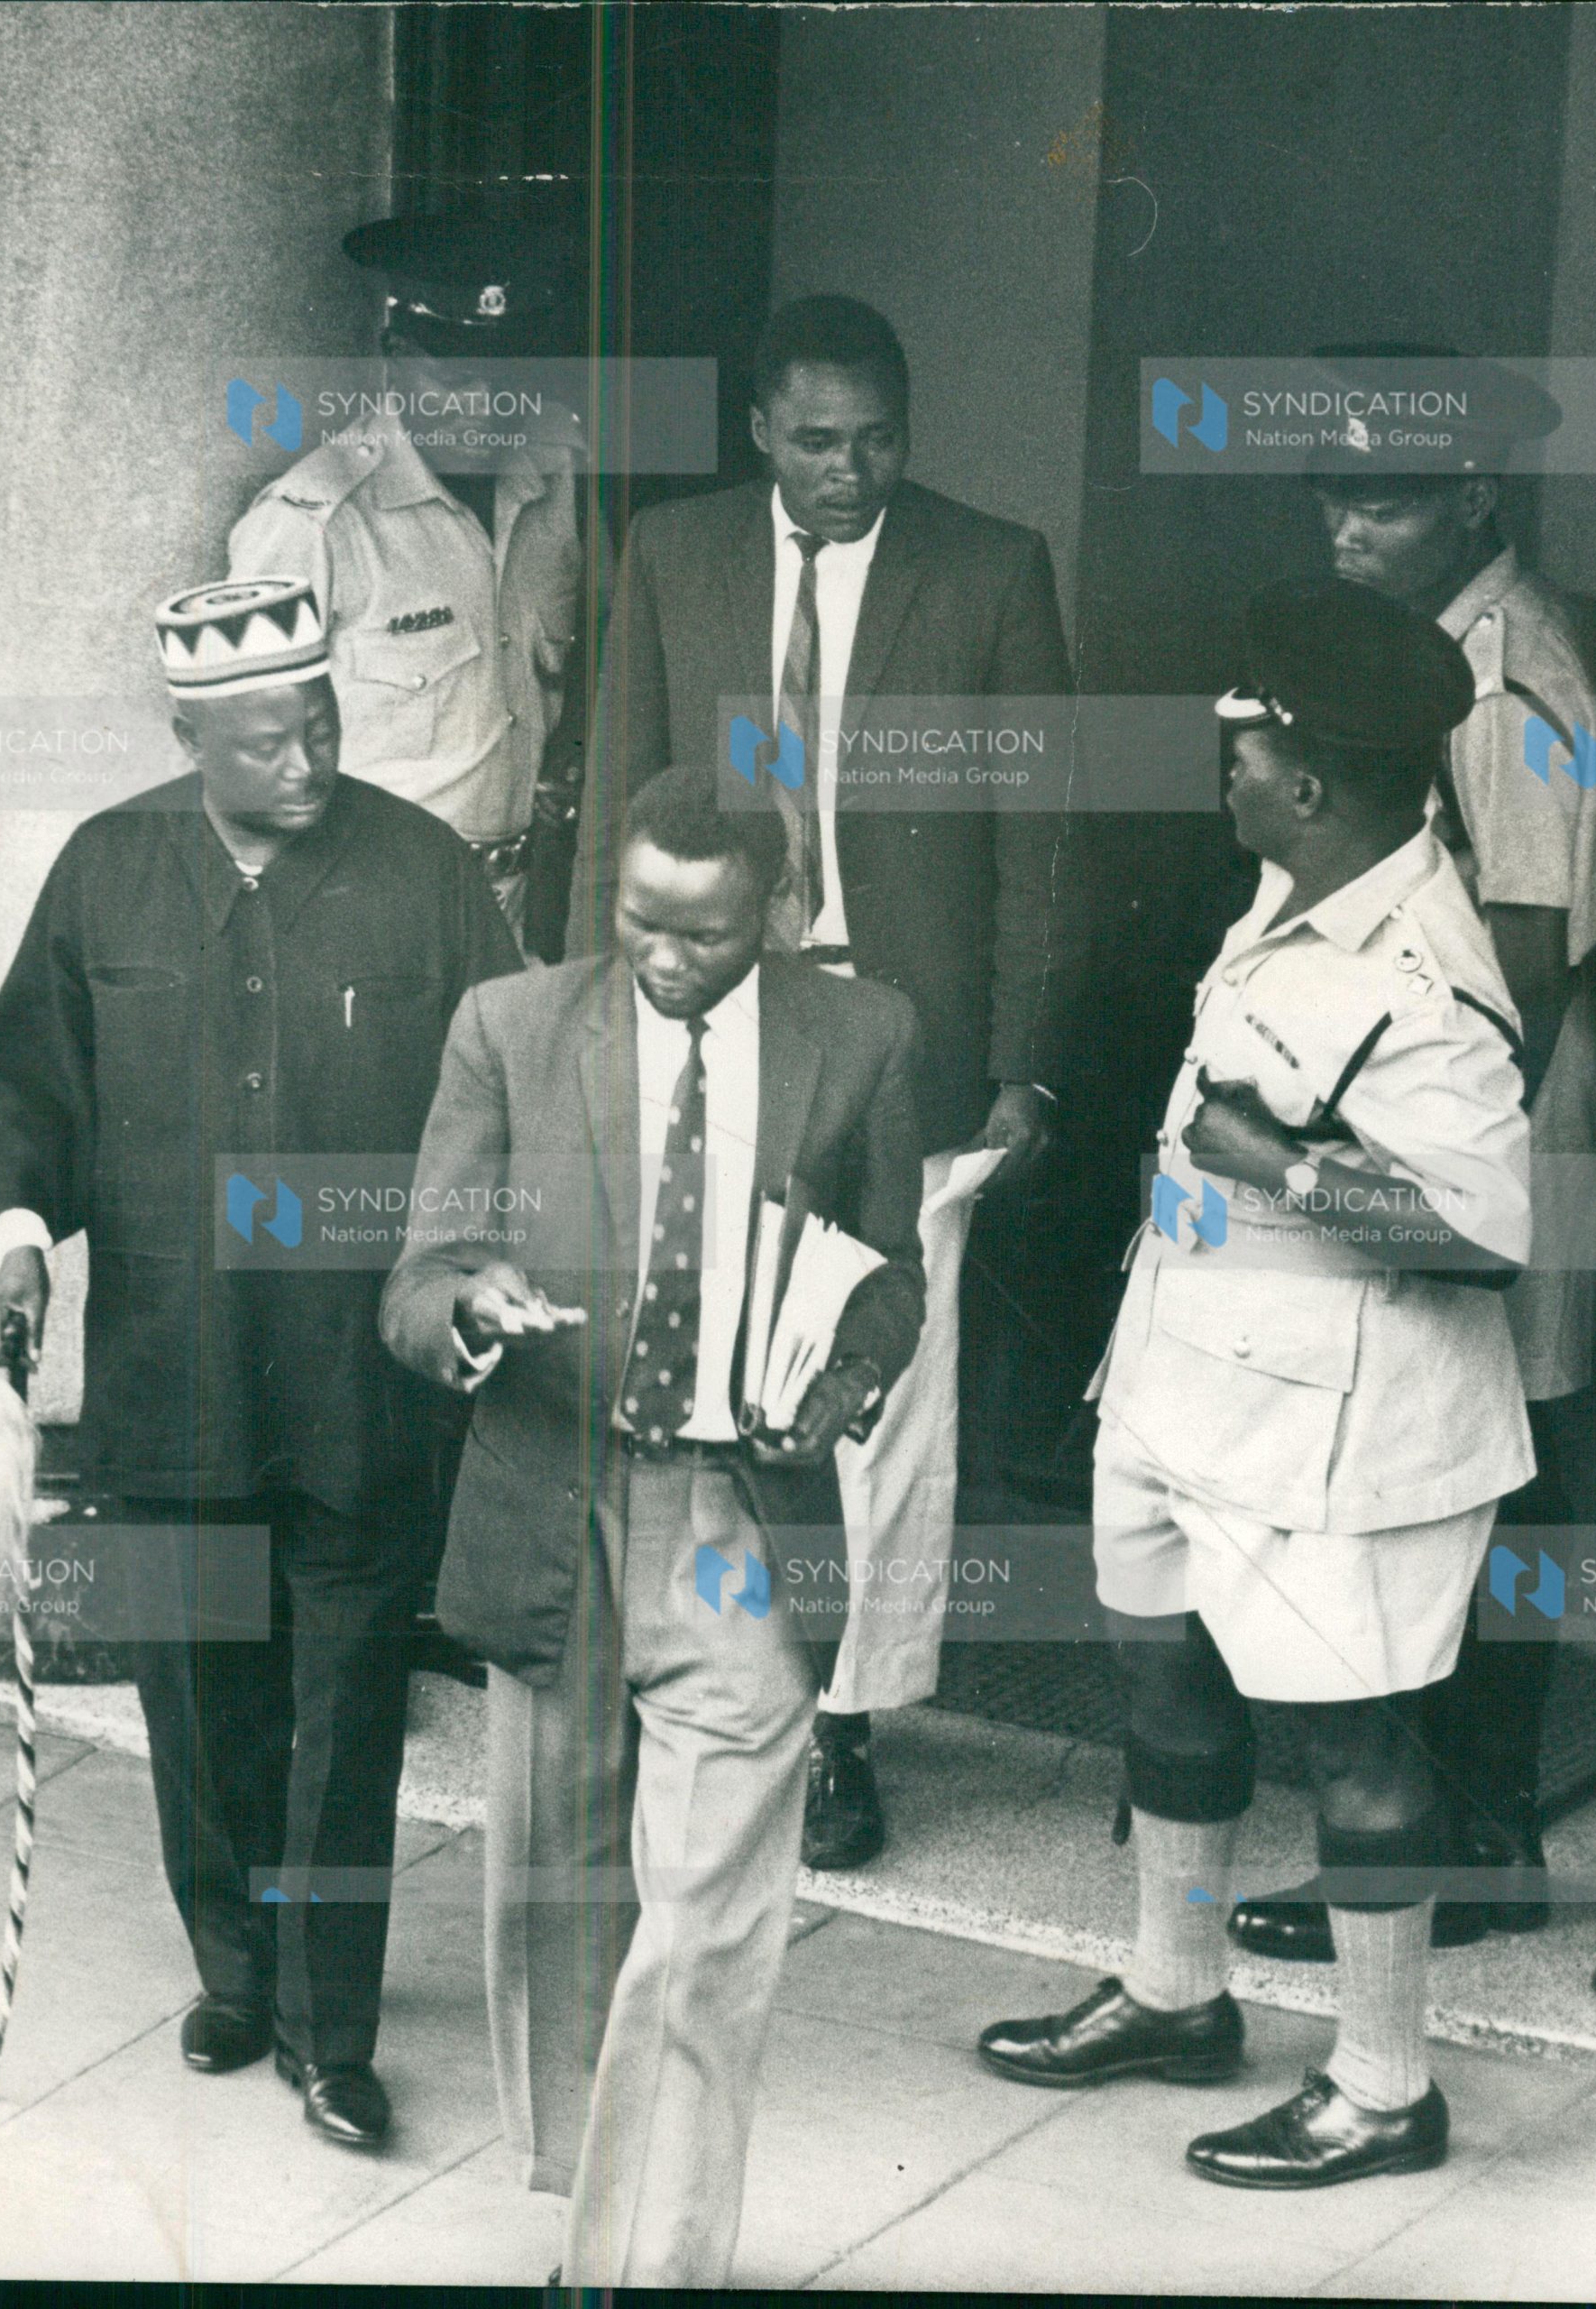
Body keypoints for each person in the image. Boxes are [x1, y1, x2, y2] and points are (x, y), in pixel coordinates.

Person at [0, 578, 521, 2147]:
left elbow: (504, 1101)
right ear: (189, 731)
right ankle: (238, 1967)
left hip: (360, 1376)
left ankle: (332, 2033)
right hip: (172, 1369)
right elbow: (30, 1091)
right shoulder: (105, 869)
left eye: (323, 723)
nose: (307, 762)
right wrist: (13, 1240)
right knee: (195, 1692)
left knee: (345, 1705)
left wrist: (477, 1267)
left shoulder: (427, 874)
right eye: (266, 740)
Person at [979, 581, 1535, 2191]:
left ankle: (1381, 2086)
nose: (1219, 768)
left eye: (1243, 747)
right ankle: (1175, 1990)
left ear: (1308, 780)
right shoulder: (1300, 889)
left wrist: (1281, 1165)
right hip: (1181, 1386)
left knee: (1356, 1749)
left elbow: (1484, 1236)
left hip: (1334, 1437)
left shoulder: (1426, 976)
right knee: (1162, 1686)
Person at [381, 763, 927, 2284]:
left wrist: (849, 1380)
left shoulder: (864, 1034)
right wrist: (466, 1311)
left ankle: (629, 2264)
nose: (665, 961)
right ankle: (588, 2187)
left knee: (704, 1923)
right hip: (553, 1501)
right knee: (559, 1891)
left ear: (777, 910)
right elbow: (420, 1269)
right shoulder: (513, 1026)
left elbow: (887, 1279)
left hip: (736, 1519)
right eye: (639, 926)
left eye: (702, 934)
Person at [567, 293, 1088, 1868]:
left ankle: (844, 1730)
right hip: (713, 1015)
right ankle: (707, 1687)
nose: (849, 469)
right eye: (815, 440)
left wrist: (1027, 1069)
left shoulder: (989, 568)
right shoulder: (674, 554)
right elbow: (615, 792)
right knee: (701, 1356)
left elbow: (1042, 840)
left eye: (876, 440)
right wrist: (598, 1018)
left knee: (879, 1399)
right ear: (757, 431)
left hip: (899, 1036)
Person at [1233, 344, 1596, 1961]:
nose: (1342, 526)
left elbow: (1525, 960)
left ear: (1473, 496)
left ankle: (1468, 1838)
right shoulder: (1415, 649)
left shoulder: (1513, 676)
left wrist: (1400, 1153)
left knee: (1497, 1475)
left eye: (1381, 498)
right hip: (1448, 1107)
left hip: (1507, 1112)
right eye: (1327, 492)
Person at [228, 209, 607, 960]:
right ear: (395, 355)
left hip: (521, 907)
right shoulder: (313, 523)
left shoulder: (558, 472)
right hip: (366, 915)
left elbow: (593, 654)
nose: (487, 404)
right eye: (458, 374)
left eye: (509, 378)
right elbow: (246, 765)